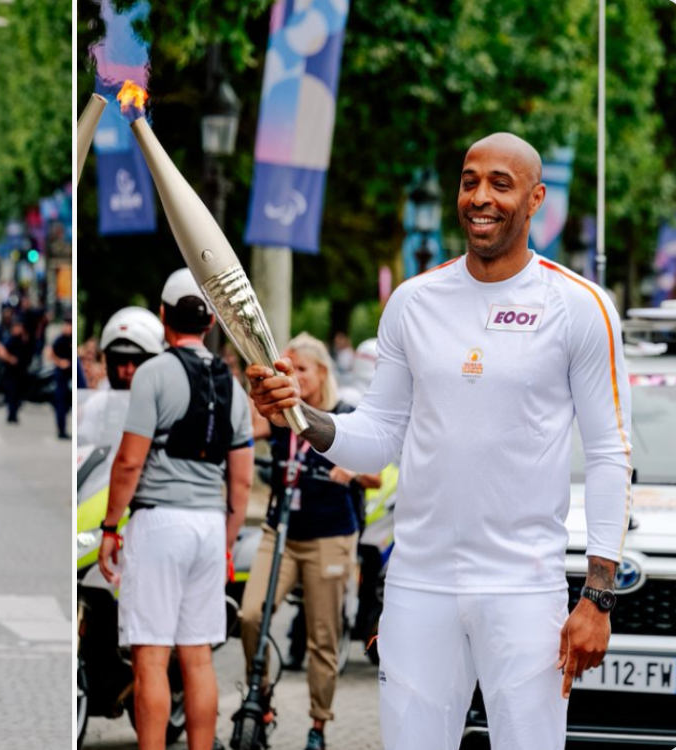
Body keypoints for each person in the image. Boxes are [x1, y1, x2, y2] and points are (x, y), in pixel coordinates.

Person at [248, 132, 631, 750]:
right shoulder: (413, 303)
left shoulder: (580, 307)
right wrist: (303, 415)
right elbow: (376, 438)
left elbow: (611, 452)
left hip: (523, 588)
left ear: (535, 200)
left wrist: (598, 596)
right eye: (469, 180)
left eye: (500, 184)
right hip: (418, 585)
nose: (480, 197)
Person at [98, 270, 254, 750]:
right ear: (210, 322)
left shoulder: (153, 374)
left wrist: (109, 527)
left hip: (158, 522)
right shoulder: (232, 386)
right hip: (209, 528)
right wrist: (227, 540)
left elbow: (129, 462)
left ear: (163, 317)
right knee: (198, 658)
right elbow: (242, 480)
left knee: (151, 656)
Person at [240, 333, 381, 750]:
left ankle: (319, 724)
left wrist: (352, 472)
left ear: (322, 372)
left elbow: (375, 470)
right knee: (250, 616)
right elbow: (247, 430)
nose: (295, 375)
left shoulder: (343, 414)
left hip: (329, 536)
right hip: (279, 532)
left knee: (323, 637)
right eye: (289, 367)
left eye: (301, 369)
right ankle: (259, 699)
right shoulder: (283, 414)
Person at [77, 306, 164, 448]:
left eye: (138, 361)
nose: (129, 370)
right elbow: (82, 443)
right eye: (121, 361)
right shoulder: (99, 404)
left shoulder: (164, 407)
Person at [1, 317, 33, 424]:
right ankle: (11, 415)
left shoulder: (25, 340)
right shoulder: (10, 340)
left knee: (20, 395)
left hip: (22, 371)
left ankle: (14, 413)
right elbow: (1, 352)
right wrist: (10, 359)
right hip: (11, 372)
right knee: (12, 394)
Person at [47, 316, 74, 439]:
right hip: (61, 376)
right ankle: (61, 429)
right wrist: (60, 362)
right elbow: (50, 354)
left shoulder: (72, 340)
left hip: (71, 376)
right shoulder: (60, 340)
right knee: (61, 404)